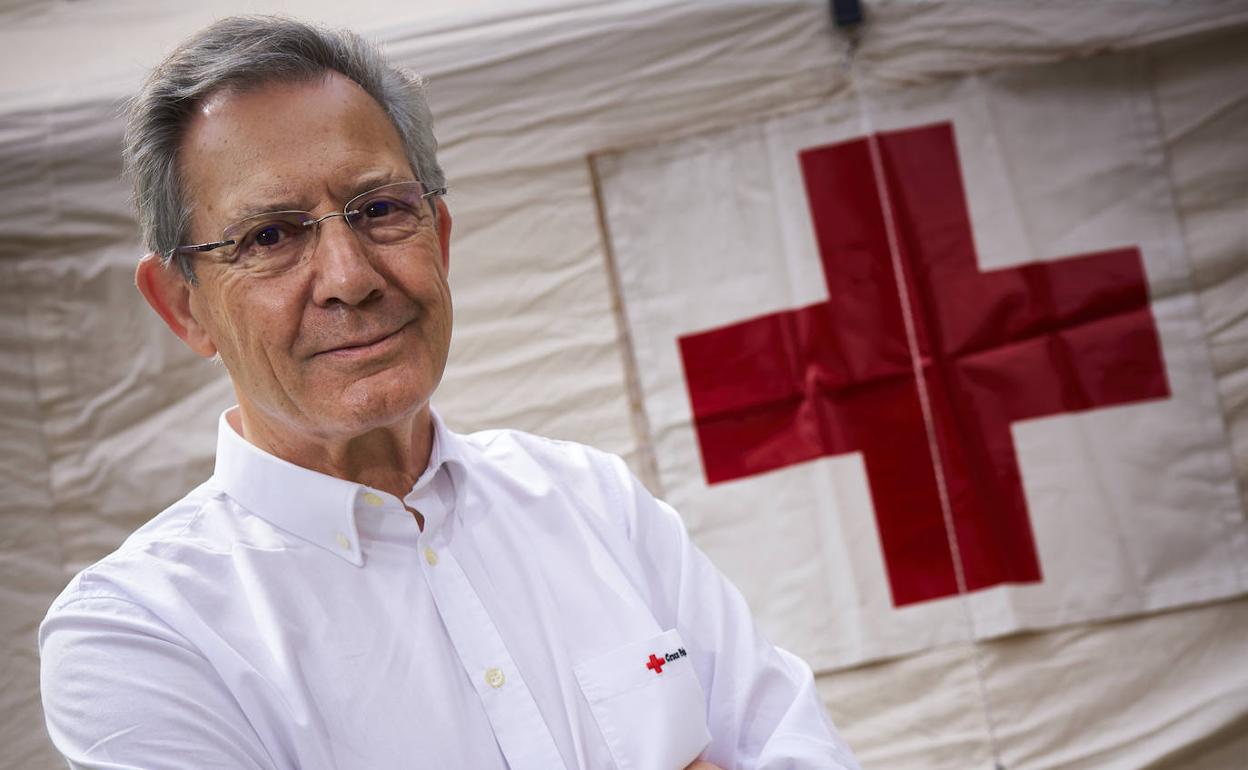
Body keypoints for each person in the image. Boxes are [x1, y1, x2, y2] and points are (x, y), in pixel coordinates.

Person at [38, 15, 860, 770]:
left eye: (382, 209)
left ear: (441, 235)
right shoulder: (138, 632)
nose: (350, 279)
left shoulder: (591, 501)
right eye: (271, 236)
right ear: (184, 307)